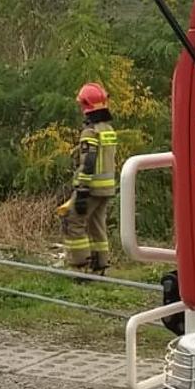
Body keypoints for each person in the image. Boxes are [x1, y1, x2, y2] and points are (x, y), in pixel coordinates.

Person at [60, 82, 119, 274]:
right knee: (97, 225)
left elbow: (89, 160)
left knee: (73, 220)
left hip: (91, 187)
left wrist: (82, 188)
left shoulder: (90, 132)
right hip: (107, 188)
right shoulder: (108, 129)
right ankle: (100, 265)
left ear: (86, 106)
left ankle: (79, 266)